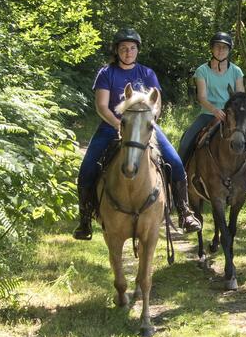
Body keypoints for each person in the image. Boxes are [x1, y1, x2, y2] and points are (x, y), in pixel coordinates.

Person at [73, 28, 202, 240]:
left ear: (137, 51)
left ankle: (184, 212)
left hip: (144, 126)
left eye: (132, 48)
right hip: (112, 125)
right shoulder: (107, 73)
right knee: (87, 168)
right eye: (123, 48)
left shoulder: (147, 73)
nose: (128, 52)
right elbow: (102, 106)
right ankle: (85, 219)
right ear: (117, 51)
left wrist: (149, 122)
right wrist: (119, 125)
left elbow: (156, 103)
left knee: (176, 163)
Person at [177, 32, 246, 201]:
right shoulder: (202, 70)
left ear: (229, 51)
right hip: (208, 114)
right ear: (212, 49)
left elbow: (240, 96)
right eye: (217, 47)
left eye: (224, 48)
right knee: (185, 143)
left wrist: (236, 114)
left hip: (233, 117)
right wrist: (215, 110)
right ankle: (179, 183)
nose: (220, 50)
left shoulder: (236, 71)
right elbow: (202, 97)